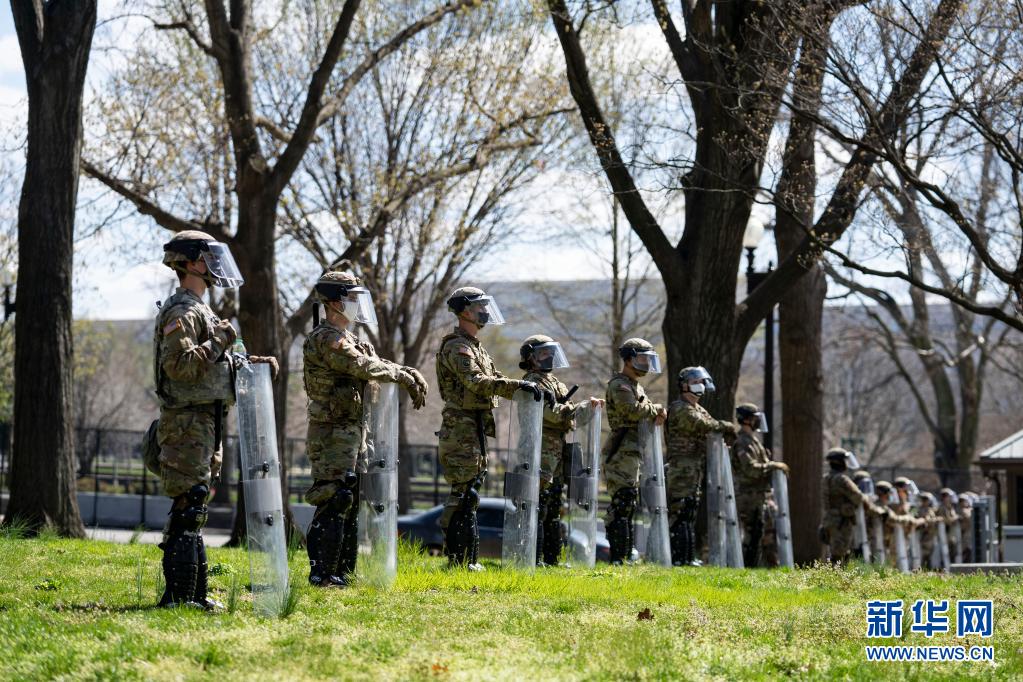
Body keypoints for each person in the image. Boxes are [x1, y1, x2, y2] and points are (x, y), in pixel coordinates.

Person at [153, 230, 276, 608]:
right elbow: (179, 367)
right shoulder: (182, 312)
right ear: (190, 263)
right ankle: (178, 596)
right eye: (208, 257)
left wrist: (250, 362)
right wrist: (220, 340)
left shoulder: (203, 311)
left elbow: (216, 364)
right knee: (188, 507)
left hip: (206, 421)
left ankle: (195, 595)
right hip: (187, 423)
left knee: (196, 507)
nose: (215, 265)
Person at [302, 270, 428, 587]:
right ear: (333, 302)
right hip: (332, 433)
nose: (358, 304)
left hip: (356, 435)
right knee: (335, 497)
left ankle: (343, 572)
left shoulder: (354, 340)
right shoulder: (325, 338)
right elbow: (362, 365)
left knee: (352, 499)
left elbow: (373, 362)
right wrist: (402, 373)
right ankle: (322, 574)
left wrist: (406, 370)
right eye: (352, 297)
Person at [436, 286, 546, 570]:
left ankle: (468, 561)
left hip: (476, 425)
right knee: (463, 493)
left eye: (486, 306)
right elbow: (476, 381)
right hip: (460, 425)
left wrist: (528, 388)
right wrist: (519, 386)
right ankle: (457, 559)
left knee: (472, 491)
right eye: (478, 307)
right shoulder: (456, 346)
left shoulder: (476, 347)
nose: (485, 311)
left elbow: (494, 377)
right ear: (464, 311)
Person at [518, 334, 602, 566]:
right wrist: (580, 408)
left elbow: (568, 418)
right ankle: (533, 559)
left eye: (551, 352)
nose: (550, 356)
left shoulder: (554, 382)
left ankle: (551, 559)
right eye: (544, 353)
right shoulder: (531, 383)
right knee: (538, 504)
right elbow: (551, 414)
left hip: (556, 451)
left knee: (554, 506)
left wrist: (586, 409)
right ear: (531, 358)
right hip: (539, 450)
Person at [665, 367, 737, 566]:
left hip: (695, 468)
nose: (701, 385)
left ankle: (687, 557)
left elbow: (711, 424)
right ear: (684, 385)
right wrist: (727, 426)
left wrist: (723, 428)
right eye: (696, 381)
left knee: (689, 511)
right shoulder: (680, 408)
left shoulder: (699, 409)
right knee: (679, 512)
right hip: (681, 468)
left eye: (702, 381)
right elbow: (704, 425)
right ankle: (677, 558)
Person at [603, 338, 666, 564]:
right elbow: (631, 410)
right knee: (622, 502)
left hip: (634, 452)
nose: (646, 364)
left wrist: (652, 412)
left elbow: (643, 412)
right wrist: (655, 409)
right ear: (628, 359)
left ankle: (625, 555)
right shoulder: (619, 384)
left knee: (629, 504)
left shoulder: (635, 386)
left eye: (649, 360)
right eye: (642, 359)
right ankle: (618, 557)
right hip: (621, 452)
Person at [731, 403, 787, 567]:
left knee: (762, 535)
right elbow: (749, 469)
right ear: (747, 420)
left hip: (759, 495)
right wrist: (772, 466)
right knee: (751, 536)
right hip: (748, 497)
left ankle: (767, 567)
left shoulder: (753, 441)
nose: (758, 422)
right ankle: (748, 569)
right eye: (755, 418)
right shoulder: (742, 442)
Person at [819, 448, 888, 564]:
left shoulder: (826, 478)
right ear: (841, 462)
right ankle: (834, 579)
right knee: (839, 555)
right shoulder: (842, 479)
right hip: (842, 522)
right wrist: (878, 512)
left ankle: (833, 578)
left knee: (835, 552)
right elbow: (859, 497)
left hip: (829, 520)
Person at [937, 488, 960, 561]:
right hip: (944, 533)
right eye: (945, 496)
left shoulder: (950, 507)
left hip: (951, 532)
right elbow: (946, 520)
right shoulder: (941, 507)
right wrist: (955, 518)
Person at [958, 492, 975, 562]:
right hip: (962, 535)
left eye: (963, 501)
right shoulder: (958, 510)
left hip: (968, 535)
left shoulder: (970, 509)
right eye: (960, 501)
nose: (962, 503)